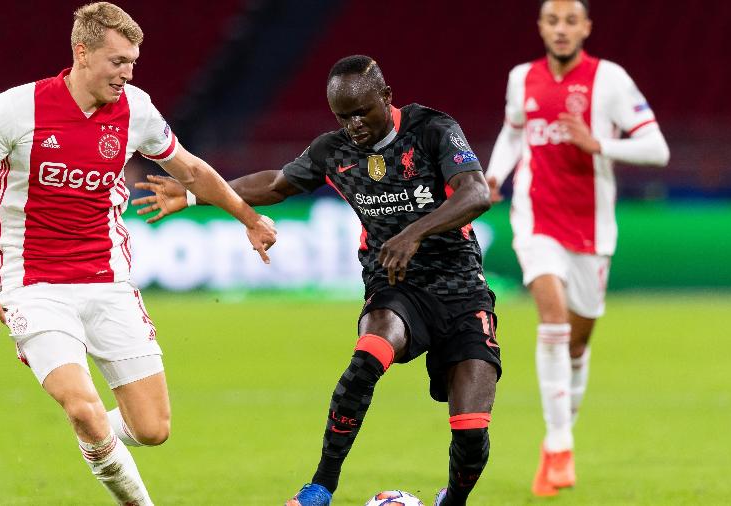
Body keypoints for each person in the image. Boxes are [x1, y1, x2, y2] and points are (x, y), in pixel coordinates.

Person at [0, 3, 276, 504]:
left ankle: (97, 441)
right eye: (118, 61)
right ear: (82, 53)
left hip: (107, 282)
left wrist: (249, 218)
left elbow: (191, 170)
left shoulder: (136, 109)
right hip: (33, 287)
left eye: (133, 62)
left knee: (153, 427)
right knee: (81, 406)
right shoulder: (17, 109)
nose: (128, 73)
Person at [133, 54, 501, 506]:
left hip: (461, 290)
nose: (354, 125)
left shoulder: (432, 130)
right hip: (396, 286)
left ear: (387, 97)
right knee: (367, 357)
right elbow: (277, 183)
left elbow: (476, 192)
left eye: (362, 112)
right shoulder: (335, 150)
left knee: (470, 434)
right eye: (343, 117)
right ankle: (320, 487)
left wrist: (414, 233)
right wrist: (195, 194)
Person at [484, 0, 670, 497]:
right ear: (540, 27)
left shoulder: (610, 80)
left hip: (592, 230)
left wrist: (599, 145)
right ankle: (560, 443)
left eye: (571, 21)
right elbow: (513, 131)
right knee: (554, 321)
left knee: (579, 342)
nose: (561, 30)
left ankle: (557, 442)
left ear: (586, 27)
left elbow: (657, 149)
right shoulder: (521, 77)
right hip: (535, 219)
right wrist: (496, 173)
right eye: (552, 21)